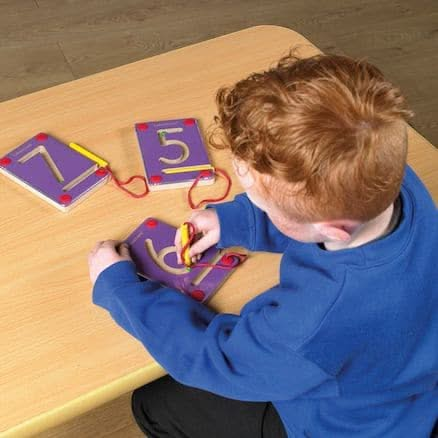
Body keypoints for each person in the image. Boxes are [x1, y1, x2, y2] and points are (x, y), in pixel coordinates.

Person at [88, 53, 438, 437]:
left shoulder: (313, 321)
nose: (252, 201)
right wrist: (236, 220)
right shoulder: (387, 177)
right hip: (404, 389)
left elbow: (217, 359)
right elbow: (313, 213)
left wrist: (121, 289)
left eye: (262, 204)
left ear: (334, 230)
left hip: (339, 425)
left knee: (154, 404)